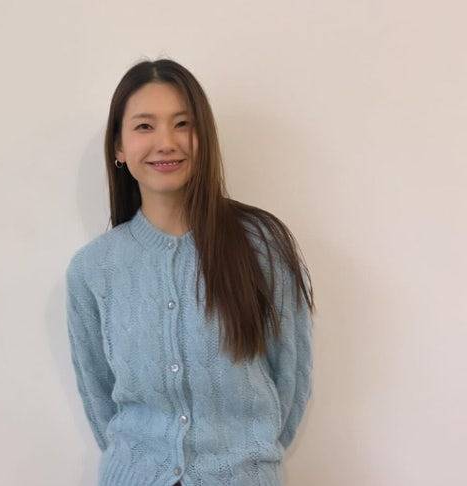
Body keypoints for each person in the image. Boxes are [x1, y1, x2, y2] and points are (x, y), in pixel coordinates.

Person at [65, 58, 315, 486]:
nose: (166, 142)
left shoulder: (262, 247)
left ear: (205, 138)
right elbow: (99, 397)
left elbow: (289, 379)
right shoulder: (93, 270)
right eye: (145, 126)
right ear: (119, 147)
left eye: (183, 124)